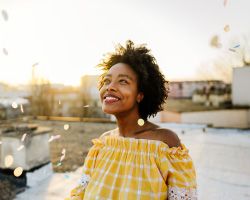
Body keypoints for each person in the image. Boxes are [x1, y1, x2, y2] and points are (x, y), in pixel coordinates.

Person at [66, 41, 197, 199]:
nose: (110, 87)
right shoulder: (102, 144)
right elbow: (80, 194)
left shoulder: (165, 144)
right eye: (107, 81)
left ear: (140, 95)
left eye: (123, 81)